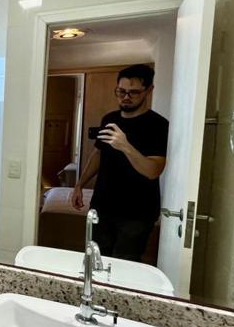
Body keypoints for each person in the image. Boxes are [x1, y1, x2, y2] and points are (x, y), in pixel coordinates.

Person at [71, 64, 168, 263]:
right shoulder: (110, 119)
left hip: (137, 213)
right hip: (102, 205)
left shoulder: (158, 125)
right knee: (95, 260)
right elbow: (98, 154)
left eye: (134, 92)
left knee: (124, 265)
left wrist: (125, 146)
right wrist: (79, 184)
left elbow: (153, 170)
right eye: (121, 91)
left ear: (149, 90)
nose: (126, 97)